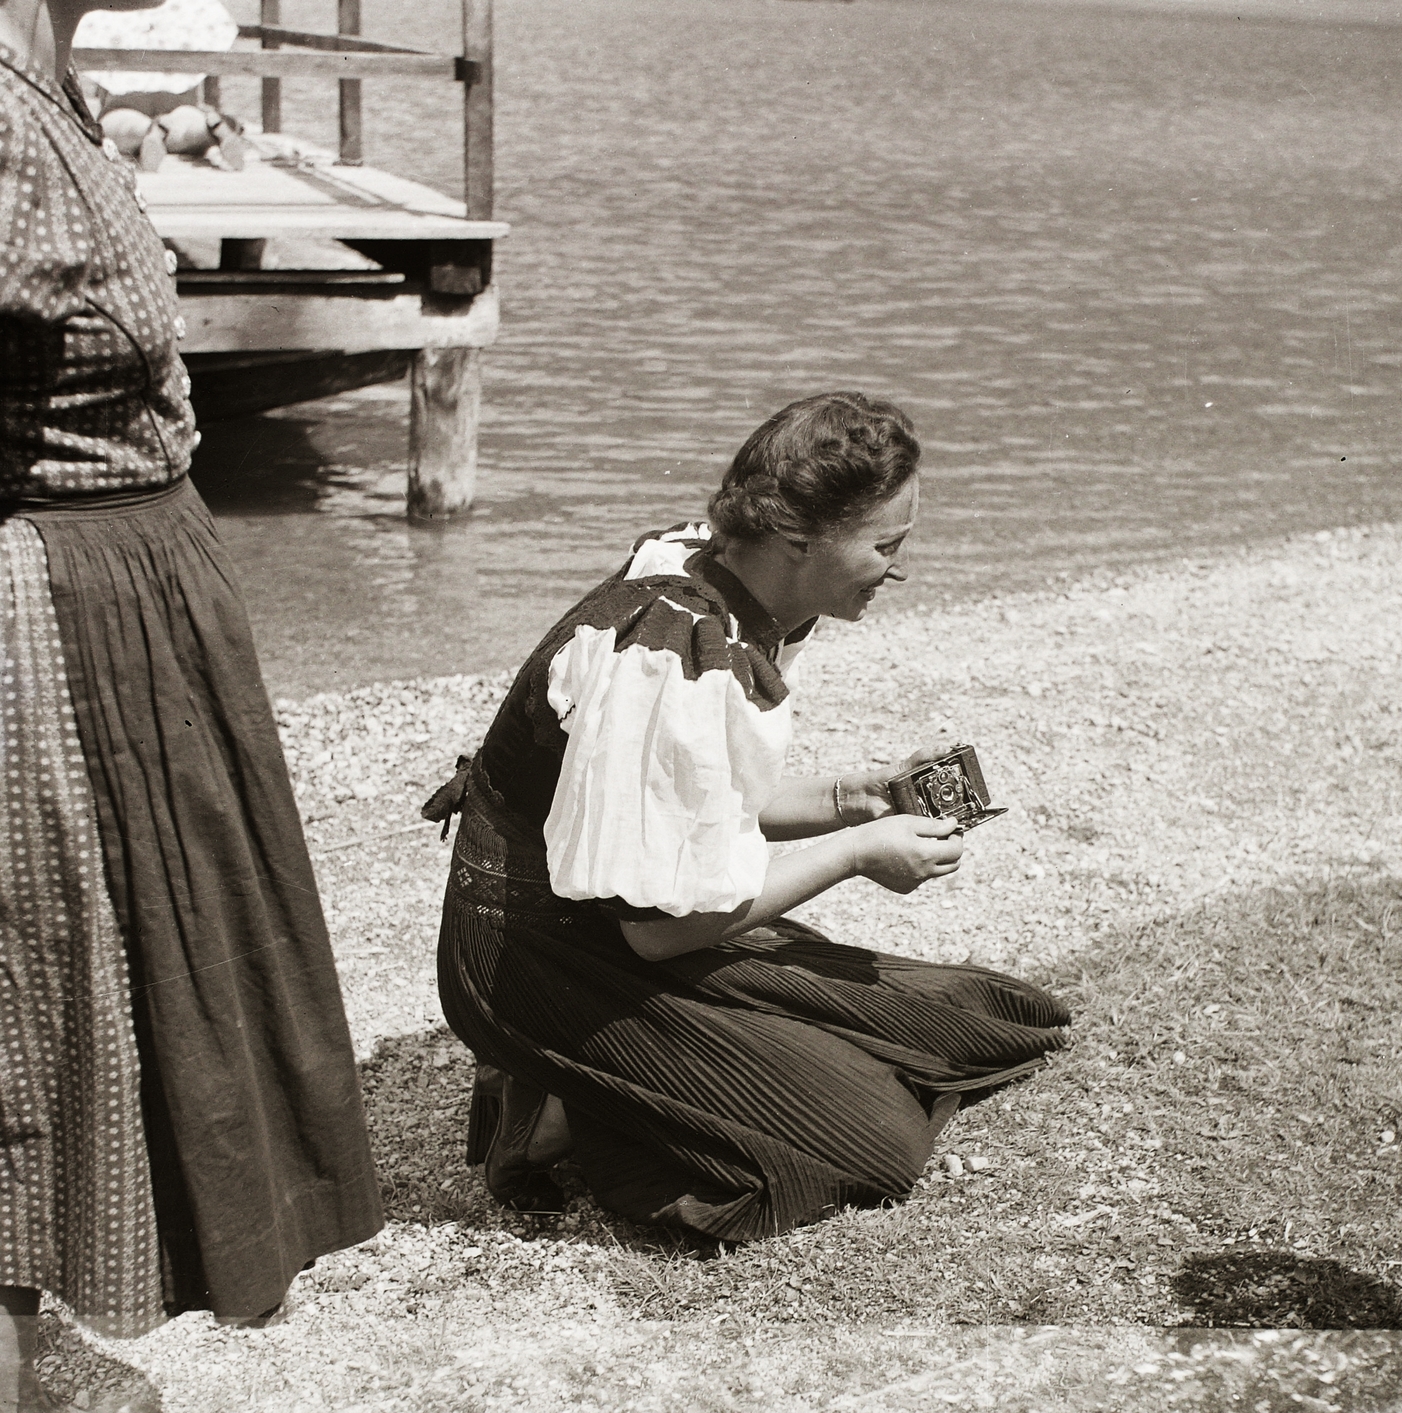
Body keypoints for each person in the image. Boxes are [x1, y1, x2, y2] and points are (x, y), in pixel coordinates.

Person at [430, 392, 1070, 1240]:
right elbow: (658, 931)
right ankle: (552, 1109)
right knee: (874, 1146)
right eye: (886, 546)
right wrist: (855, 853)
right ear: (800, 540)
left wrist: (863, 794)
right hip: (533, 954)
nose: (899, 570)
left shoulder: (735, 583)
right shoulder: (668, 645)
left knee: (987, 1018)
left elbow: (696, 806)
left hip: (611, 912)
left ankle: (605, 1082)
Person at [0, 2, 382, 1406]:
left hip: (123, 571)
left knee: (91, 971)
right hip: (54, 593)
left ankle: (27, 1333)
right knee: (36, 982)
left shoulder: (46, 84)